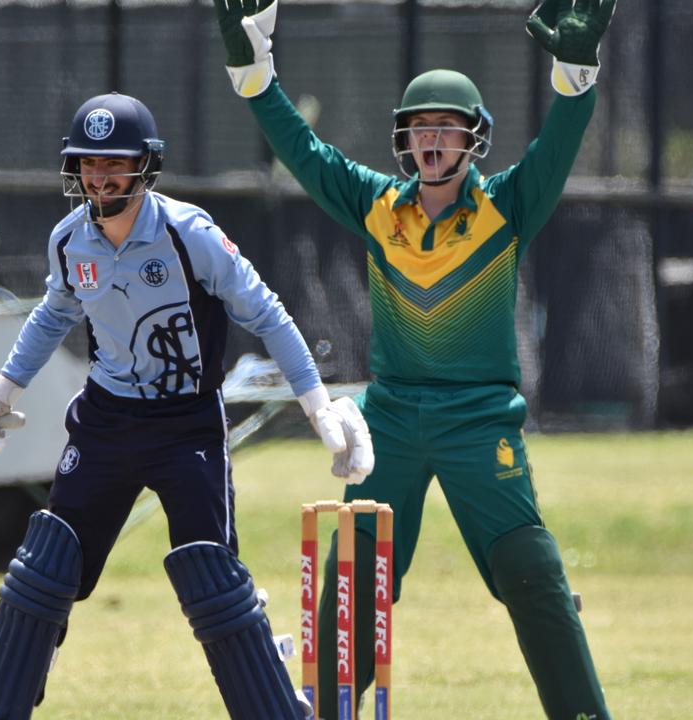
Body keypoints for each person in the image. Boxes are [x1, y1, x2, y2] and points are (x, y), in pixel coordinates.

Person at [211, 0, 617, 717]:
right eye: (420, 129)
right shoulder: (377, 207)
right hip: (391, 418)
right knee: (353, 578)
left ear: (473, 141)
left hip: (479, 419)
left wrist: (573, 79)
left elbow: (557, 145)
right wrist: (255, 78)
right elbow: (307, 153)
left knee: (530, 569)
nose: (432, 141)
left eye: (446, 129)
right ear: (404, 140)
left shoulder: (506, 209)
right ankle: (327, 710)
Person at [0, 91, 373, 719]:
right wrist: (0, 393)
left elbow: (267, 313)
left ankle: (277, 707)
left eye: (113, 164)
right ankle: (0, 705)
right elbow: (52, 316)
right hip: (104, 423)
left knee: (213, 579)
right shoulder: (70, 242)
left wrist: (319, 408)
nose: (99, 178)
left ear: (145, 166)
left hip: (186, 428)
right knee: (48, 568)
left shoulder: (189, 234)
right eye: (87, 165)